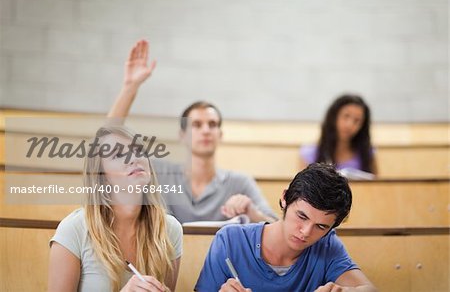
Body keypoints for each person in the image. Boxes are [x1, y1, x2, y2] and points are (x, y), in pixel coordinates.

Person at [108, 40, 277, 224]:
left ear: (220, 135)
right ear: (182, 135)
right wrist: (130, 87)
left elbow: (275, 226)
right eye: (196, 125)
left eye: (212, 124)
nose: (205, 130)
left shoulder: (239, 183)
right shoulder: (158, 172)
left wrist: (252, 212)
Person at [195, 163, 378, 292]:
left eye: (321, 226)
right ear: (285, 198)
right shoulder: (230, 241)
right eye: (301, 216)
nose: (306, 232)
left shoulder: (327, 246)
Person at [48, 126, 183, 292]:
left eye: (138, 150)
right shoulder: (73, 230)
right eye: (118, 155)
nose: (134, 158)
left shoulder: (170, 230)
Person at [299, 94, 377, 175]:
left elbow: (375, 186)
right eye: (346, 116)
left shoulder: (368, 153)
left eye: (357, 120)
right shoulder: (310, 153)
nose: (349, 125)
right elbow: (302, 186)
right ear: (333, 117)